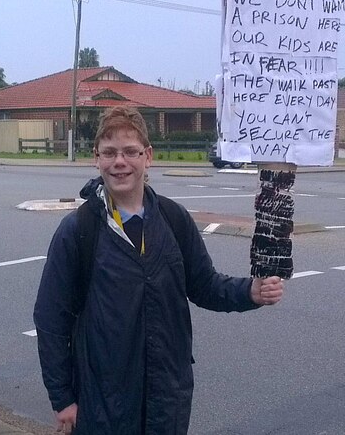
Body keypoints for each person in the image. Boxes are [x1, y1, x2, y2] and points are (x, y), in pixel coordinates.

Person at [33, 106, 285, 434]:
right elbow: (51, 321)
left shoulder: (173, 218)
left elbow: (204, 285)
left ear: (147, 156)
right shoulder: (79, 230)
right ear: (97, 159)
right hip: (103, 403)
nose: (119, 162)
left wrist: (250, 291)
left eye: (130, 152)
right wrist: (62, 398)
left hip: (167, 399)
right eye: (109, 153)